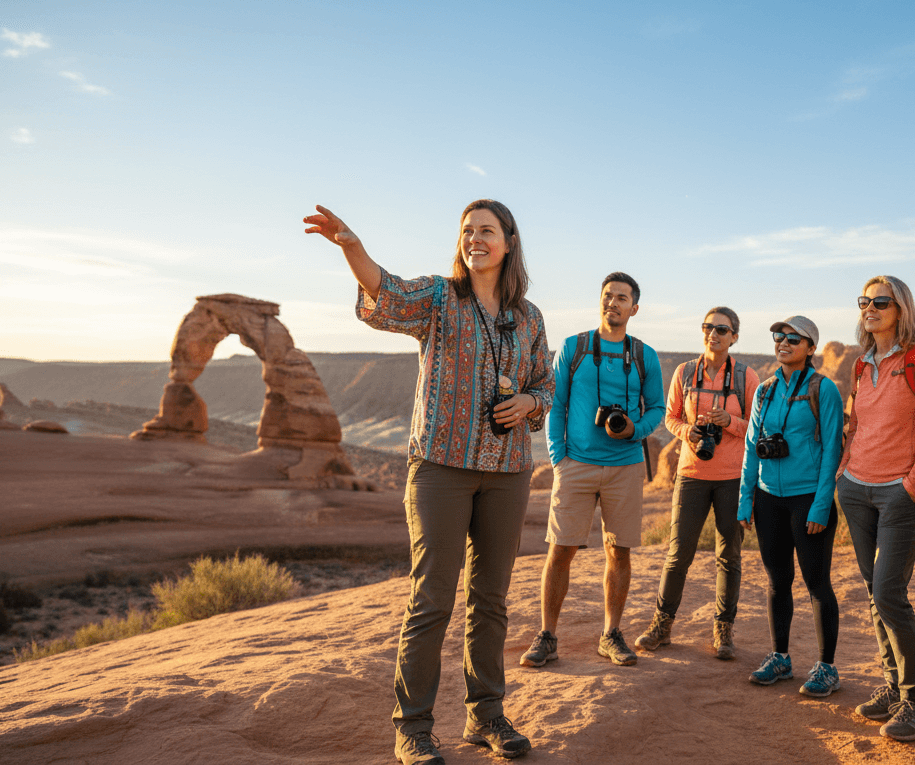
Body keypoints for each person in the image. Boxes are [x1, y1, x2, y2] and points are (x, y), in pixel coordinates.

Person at [304, 201, 552, 765]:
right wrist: (351, 247)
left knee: (490, 601)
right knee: (433, 598)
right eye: (467, 232)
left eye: (486, 231)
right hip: (441, 467)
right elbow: (384, 291)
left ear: (509, 242)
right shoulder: (441, 298)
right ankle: (412, 728)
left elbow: (546, 382)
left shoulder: (529, 316)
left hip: (509, 471)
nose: (475, 240)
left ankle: (486, 715)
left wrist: (529, 401)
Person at [520, 272, 664, 668]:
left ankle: (611, 634)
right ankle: (547, 635)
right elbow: (556, 404)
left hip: (625, 466)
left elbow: (657, 409)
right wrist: (558, 457)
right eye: (607, 295)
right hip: (577, 466)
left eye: (621, 298)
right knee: (560, 551)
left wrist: (637, 429)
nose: (612, 303)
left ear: (634, 308)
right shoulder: (573, 348)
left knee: (619, 554)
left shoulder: (643, 355)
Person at [836, 276, 915, 741]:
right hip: (857, 488)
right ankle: (892, 686)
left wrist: (913, 484)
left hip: (899, 493)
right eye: (864, 301)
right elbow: (857, 422)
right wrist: (844, 470)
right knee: (873, 591)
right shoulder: (862, 365)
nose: (870, 308)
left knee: (889, 593)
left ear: (900, 308)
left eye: (880, 302)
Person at [636, 307, 759, 659]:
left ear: (734, 336)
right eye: (708, 327)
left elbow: (756, 424)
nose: (713, 334)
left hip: (732, 478)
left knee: (729, 556)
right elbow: (671, 418)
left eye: (722, 329)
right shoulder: (685, 372)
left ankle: (724, 630)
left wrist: (730, 421)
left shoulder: (745, 376)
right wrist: (688, 430)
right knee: (678, 555)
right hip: (691, 475)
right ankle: (662, 625)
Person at [737, 316, 845, 699]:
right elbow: (751, 447)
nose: (782, 342)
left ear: (810, 347)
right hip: (768, 499)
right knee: (777, 581)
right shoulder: (765, 391)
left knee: (817, 584)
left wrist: (820, 505)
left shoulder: (823, 389)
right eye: (778, 337)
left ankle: (827, 667)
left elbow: (833, 449)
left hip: (806, 500)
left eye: (792, 338)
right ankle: (780, 657)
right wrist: (745, 499)